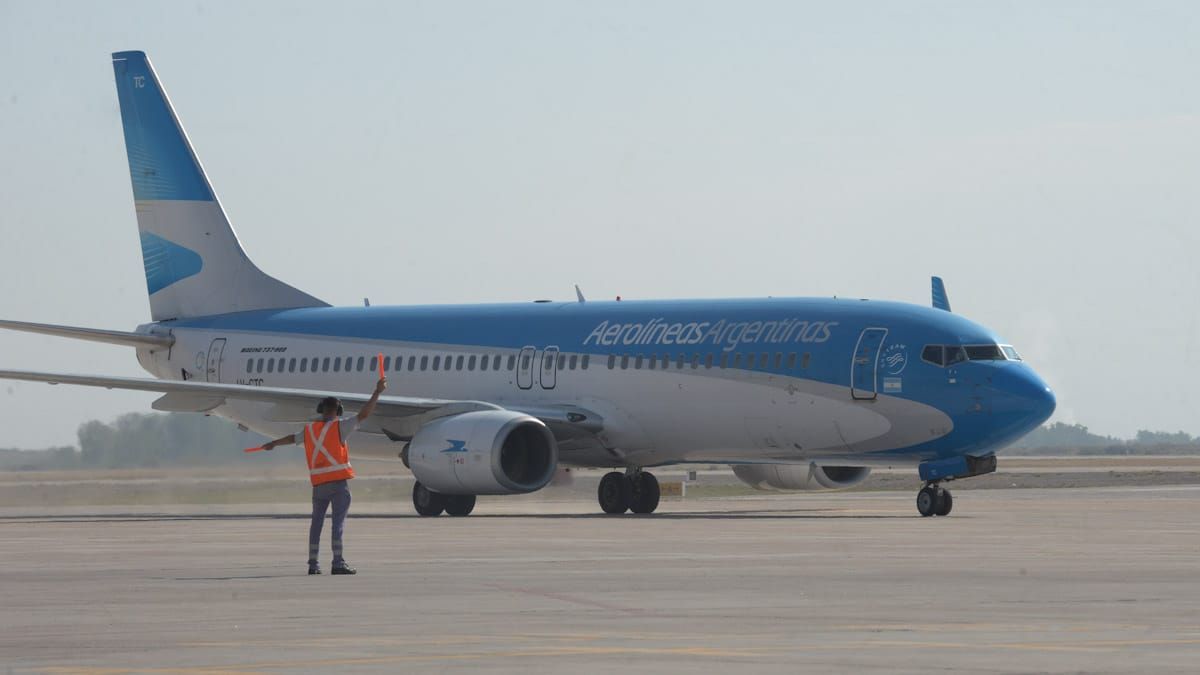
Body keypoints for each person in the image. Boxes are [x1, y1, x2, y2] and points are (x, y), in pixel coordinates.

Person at [261, 375, 387, 575]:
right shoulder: (339, 426)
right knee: (337, 524)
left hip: (318, 486)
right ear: (338, 411)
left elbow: (292, 438)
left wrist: (273, 444)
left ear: (321, 410)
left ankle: (313, 564)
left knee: (316, 524)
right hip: (338, 485)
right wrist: (378, 392)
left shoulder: (310, 430)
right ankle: (337, 563)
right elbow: (364, 415)